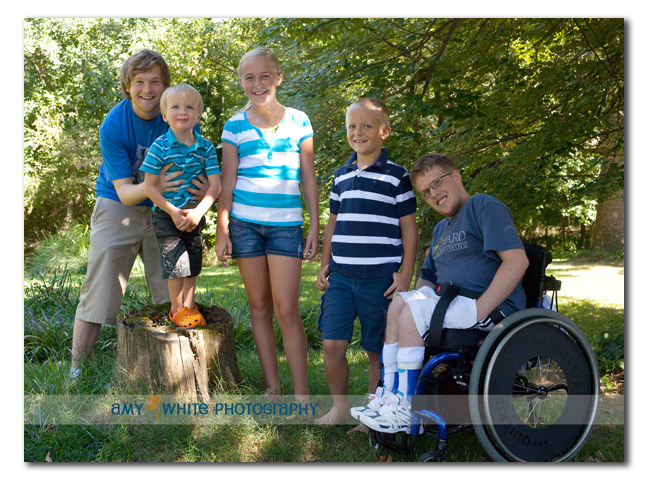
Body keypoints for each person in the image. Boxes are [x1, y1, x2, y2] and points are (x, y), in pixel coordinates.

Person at [350, 152, 529, 434]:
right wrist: (414, 305)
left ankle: (405, 406)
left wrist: (480, 309)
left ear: (456, 176)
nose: (433, 194)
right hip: (451, 303)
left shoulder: (482, 206)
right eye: (425, 192)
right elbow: (427, 279)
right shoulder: (440, 229)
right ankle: (390, 397)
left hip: (488, 308)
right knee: (399, 303)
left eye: (436, 183)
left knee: (411, 310)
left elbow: (517, 261)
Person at [71, 50, 207, 376]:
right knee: (100, 287)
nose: (148, 90)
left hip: (168, 209)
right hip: (120, 205)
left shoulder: (179, 114)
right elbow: (124, 191)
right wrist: (153, 185)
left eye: (155, 82)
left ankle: (183, 370)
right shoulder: (114, 125)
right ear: (127, 86)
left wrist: (201, 191)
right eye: (140, 82)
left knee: (173, 286)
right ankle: (77, 370)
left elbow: (195, 170)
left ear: (166, 85)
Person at [214, 47, 319, 400]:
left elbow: (308, 177)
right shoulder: (234, 126)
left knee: (287, 310)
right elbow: (228, 181)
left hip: (286, 227)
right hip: (244, 226)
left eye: (264, 76)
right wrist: (222, 230)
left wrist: (314, 226)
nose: (257, 83)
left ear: (278, 77)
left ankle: (302, 393)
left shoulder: (299, 121)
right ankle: (273, 387)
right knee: (259, 308)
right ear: (241, 82)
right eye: (249, 77)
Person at [314, 98, 418, 426]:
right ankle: (339, 408)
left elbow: (409, 228)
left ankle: (372, 414)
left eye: (367, 126)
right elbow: (332, 223)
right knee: (332, 343)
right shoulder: (341, 176)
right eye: (352, 127)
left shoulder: (397, 176)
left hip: (380, 280)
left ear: (384, 132)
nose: (357, 132)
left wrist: (405, 274)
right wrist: (324, 264)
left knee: (378, 350)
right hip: (341, 277)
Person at [140, 84, 222, 327]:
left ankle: (189, 305)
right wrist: (173, 212)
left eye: (189, 107)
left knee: (193, 263)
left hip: (195, 216)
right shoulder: (159, 147)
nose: (183, 111)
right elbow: (149, 187)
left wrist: (198, 212)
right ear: (165, 115)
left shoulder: (206, 148)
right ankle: (176, 310)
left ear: (198, 116)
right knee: (176, 264)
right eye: (175, 107)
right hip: (166, 217)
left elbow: (215, 185)